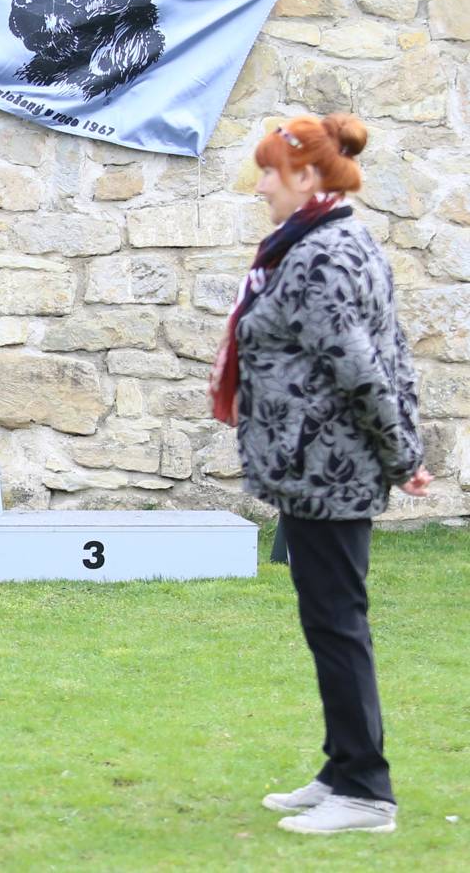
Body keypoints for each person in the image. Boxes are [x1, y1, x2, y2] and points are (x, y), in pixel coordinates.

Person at [211, 113, 429, 836]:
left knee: (338, 626)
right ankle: (341, 769)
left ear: (306, 177)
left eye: (269, 173)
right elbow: (386, 350)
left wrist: (404, 455)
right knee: (328, 622)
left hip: (329, 470)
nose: (260, 187)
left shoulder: (321, 254)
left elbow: (363, 367)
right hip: (315, 469)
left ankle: (365, 792)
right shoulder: (326, 241)